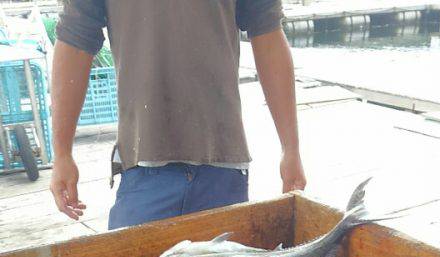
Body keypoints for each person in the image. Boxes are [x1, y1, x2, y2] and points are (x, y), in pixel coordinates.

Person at [51, 1, 306, 230]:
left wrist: (290, 148)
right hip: (143, 165)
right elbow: (75, 40)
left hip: (222, 164)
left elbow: (268, 33)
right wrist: (62, 153)